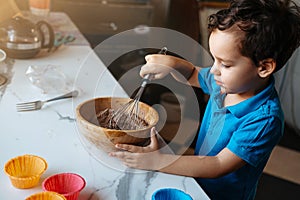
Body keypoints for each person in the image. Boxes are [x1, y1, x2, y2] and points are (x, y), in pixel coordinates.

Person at [109, 0, 300, 199]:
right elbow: (192, 73)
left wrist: (157, 162)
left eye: (225, 64)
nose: (214, 70)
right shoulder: (225, 83)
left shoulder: (264, 120)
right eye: (214, 59)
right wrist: (172, 64)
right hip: (195, 180)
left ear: (264, 67)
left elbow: (218, 164)